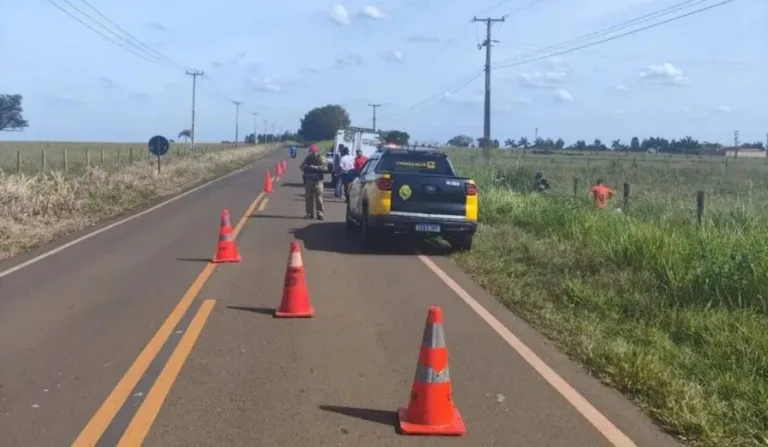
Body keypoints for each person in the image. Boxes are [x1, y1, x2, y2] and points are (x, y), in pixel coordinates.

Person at [300, 144, 328, 220]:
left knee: (319, 198)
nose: (312, 153)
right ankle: (309, 213)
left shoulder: (321, 158)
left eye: (313, 151)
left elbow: (325, 168)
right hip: (309, 180)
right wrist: (306, 167)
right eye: (311, 151)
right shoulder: (308, 158)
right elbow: (301, 167)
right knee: (308, 198)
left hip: (318, 181)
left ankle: (320, 213)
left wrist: (315, 167)